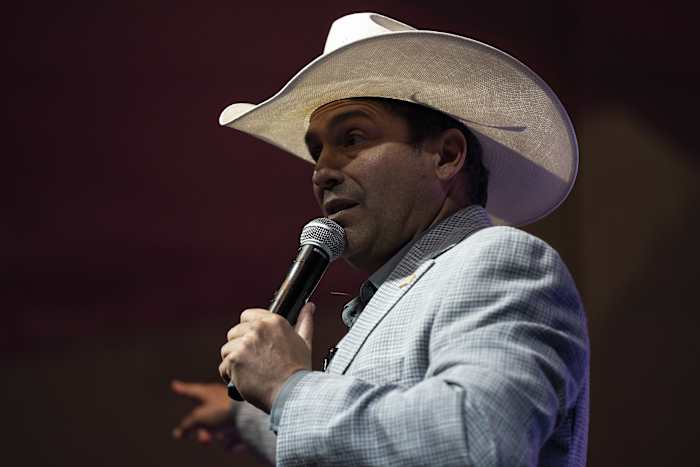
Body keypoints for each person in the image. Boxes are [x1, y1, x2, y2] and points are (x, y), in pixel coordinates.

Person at [173, 12, 588, 466]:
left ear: (446, 155)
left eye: (352, 137)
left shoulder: (501, 260)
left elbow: (475, 442)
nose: (321, 172)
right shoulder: (399, 292)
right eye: (317, 150)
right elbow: (379, 445)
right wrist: (249, 413)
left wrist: (288, 387)